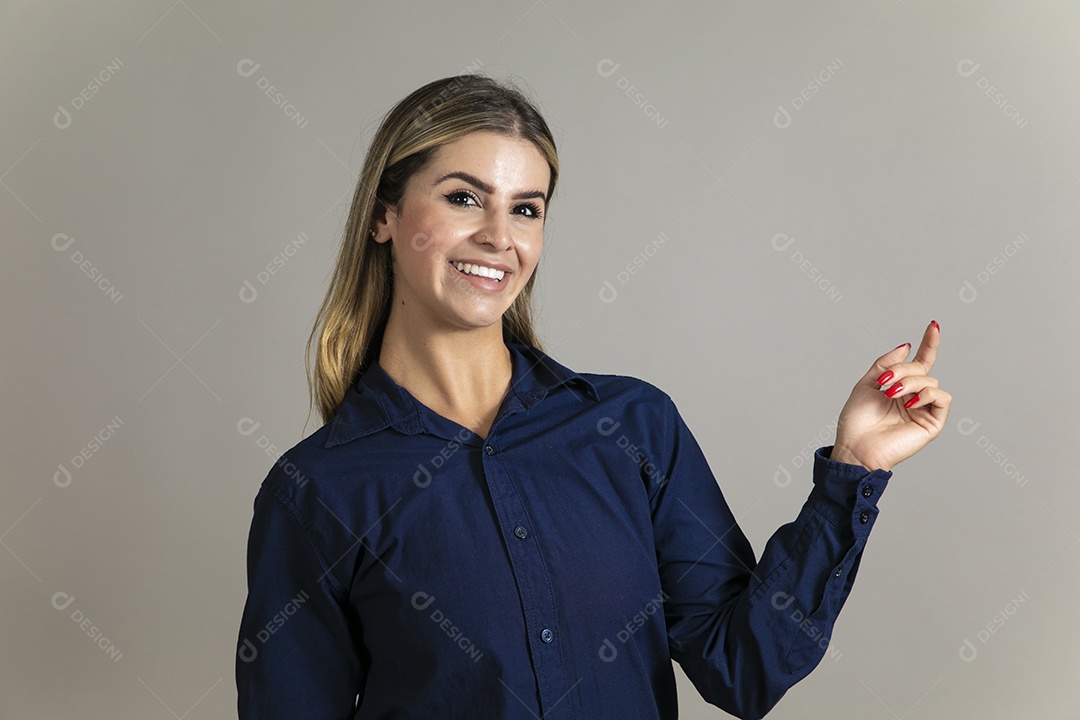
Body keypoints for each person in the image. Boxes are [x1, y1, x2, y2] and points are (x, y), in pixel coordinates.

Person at [235, 73, 952, 720]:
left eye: (526, 209)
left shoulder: (633, 427)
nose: (498, 237)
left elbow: (745, 668)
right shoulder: (315, 492)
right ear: (383, 215)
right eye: (463, 198)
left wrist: (853, 468)